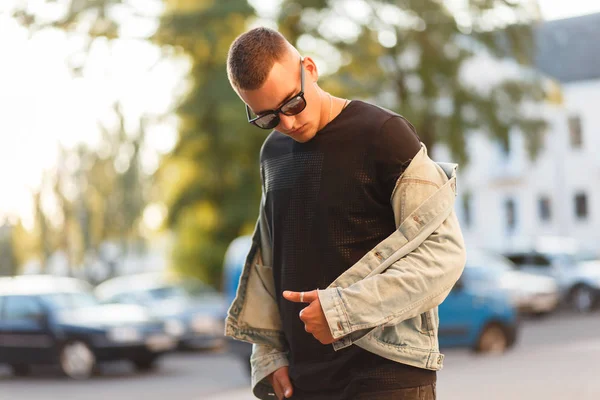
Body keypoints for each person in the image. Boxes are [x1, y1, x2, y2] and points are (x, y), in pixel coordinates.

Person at [224, 27, 466, 400]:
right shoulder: (273, 154)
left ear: (310, 68)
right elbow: (270, 261)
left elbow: (444, 254)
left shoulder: (385, 135)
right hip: (304, 382)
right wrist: (269, 354)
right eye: (268, 117)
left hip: (387, 373)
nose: (287, 124)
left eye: (292, 104)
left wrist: (342, 311)